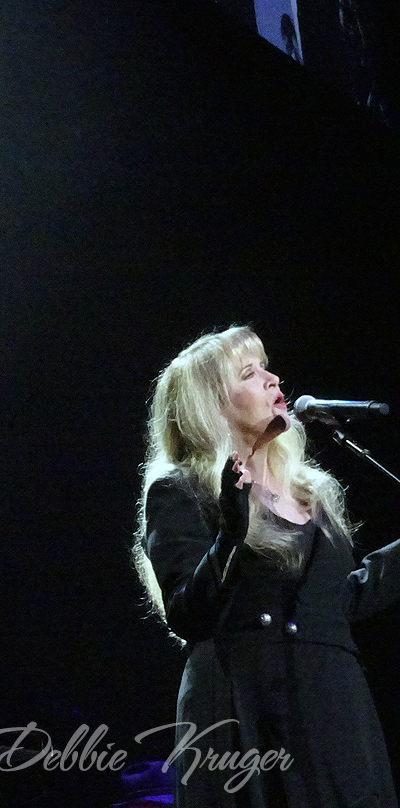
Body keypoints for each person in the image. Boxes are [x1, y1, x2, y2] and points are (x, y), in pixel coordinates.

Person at [133, 326, 400, 807]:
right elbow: (188, 613)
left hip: (334, 711)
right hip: (243, 710)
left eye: (267, 367)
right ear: (211, 406)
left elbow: (339, 602)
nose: (273, 379)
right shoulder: (182, 491)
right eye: (249, 373)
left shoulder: (312, 492)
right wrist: (231, 532)